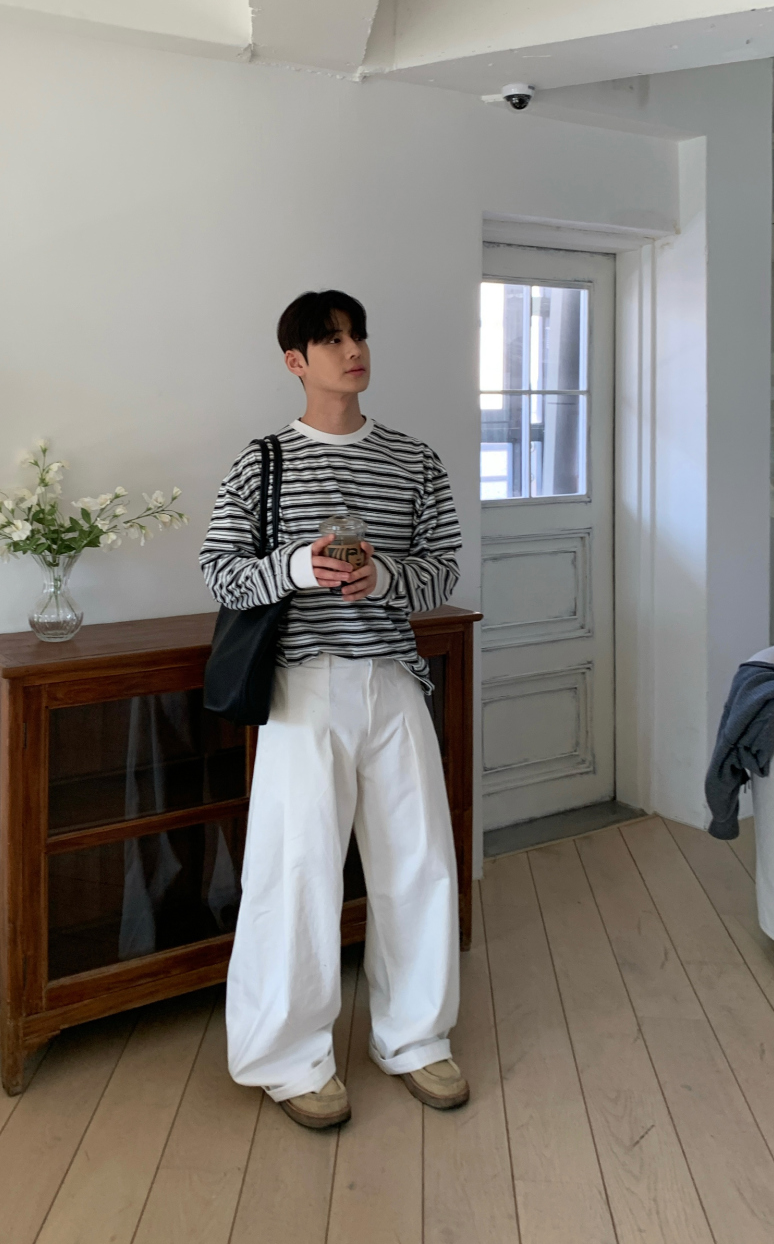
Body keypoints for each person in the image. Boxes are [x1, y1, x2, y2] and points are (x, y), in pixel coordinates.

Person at [200, 289, 467, 1129]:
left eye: (358, 336)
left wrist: (383, 577)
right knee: (296, 870)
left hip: (392, 678)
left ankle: (417, 1038)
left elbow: (443, 569)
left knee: (419, 862)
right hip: (302, 684)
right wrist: (297, 567)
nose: (353, 351)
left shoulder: (414, 459)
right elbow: (218, 570)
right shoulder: (263, 460)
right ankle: (289, 1058)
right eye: (332, 340)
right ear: (296, 361)